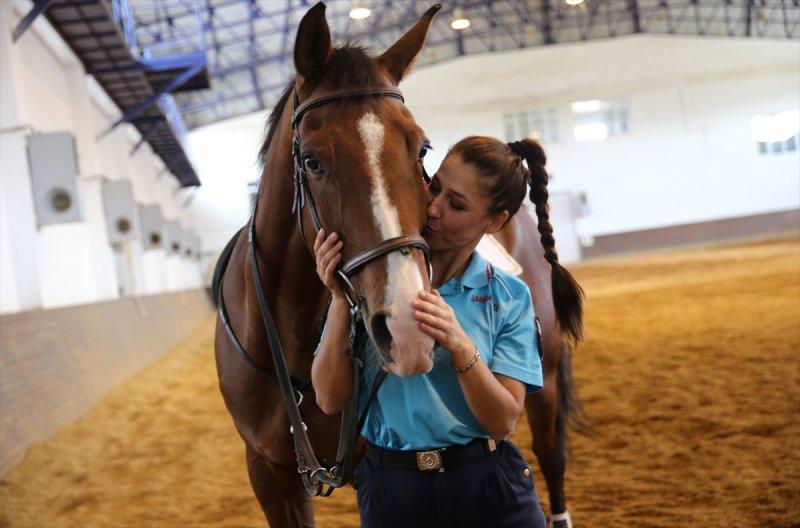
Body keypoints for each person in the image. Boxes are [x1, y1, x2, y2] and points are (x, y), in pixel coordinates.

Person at [312, 137, 550, 528]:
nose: (434, 208)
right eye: (434, 187)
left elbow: (503, 420)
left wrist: (459, 344)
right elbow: (328, 398)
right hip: (395, 493)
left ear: (494, 222)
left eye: (456, 204)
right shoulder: (373, 284)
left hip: (489, 489)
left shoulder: (507, 297)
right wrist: (340, 299)